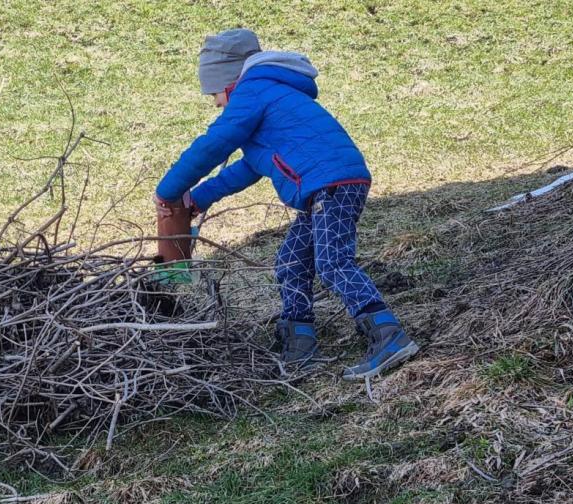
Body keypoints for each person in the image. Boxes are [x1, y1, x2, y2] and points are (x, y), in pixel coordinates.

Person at [154, 28, 418, 380]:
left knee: (332, 263)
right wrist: (199, 197)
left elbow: (214, 144)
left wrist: (169, 189)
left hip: (331, 184)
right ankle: (299, 341)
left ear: (229, 80)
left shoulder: (253, 91)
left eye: (214, 93)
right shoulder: (269, 96)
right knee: (291, 262)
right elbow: (250, 166)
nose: (215, 103)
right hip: (326, 187)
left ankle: (388, 335)